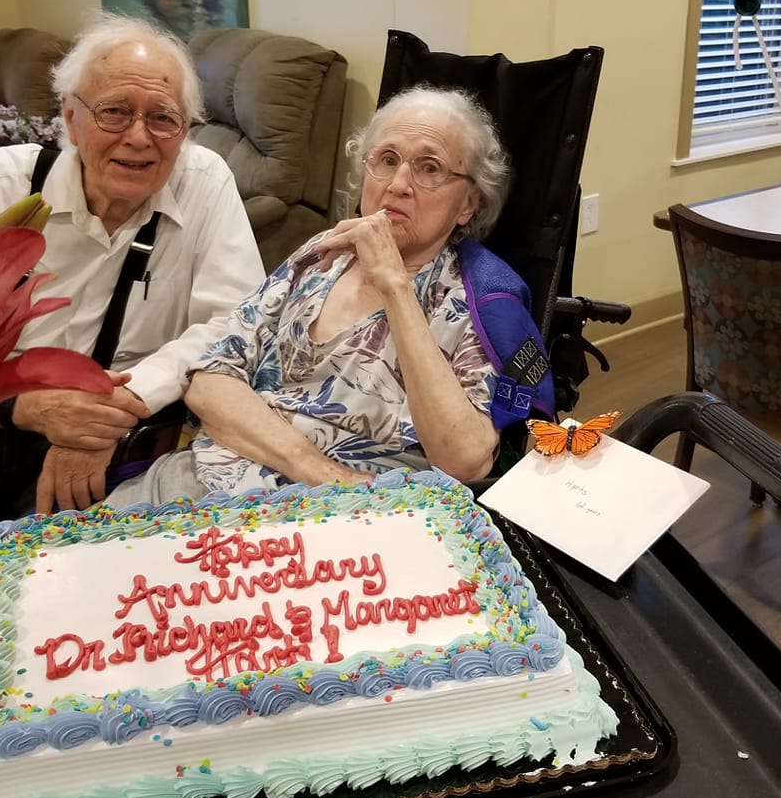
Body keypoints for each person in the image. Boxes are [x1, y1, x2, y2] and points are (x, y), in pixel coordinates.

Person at [107, 85, 553, 507]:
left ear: (468, 205)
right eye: (386, 159)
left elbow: (463, 460)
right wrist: (312, 469)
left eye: (429, 168)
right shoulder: (322, 254)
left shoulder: (477, 302)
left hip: (357, 521)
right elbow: (208, 378)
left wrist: (395, 285)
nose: (397, 183)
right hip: (210, 482)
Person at [0, 14, 262, 529]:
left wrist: (111, 410)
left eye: (163, 118)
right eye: (114, 112)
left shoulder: (203, 183)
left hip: (114, 431)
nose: (139, 137)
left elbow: (234, 323)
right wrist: (24, 408)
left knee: (47, 579)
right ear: (70, 118)